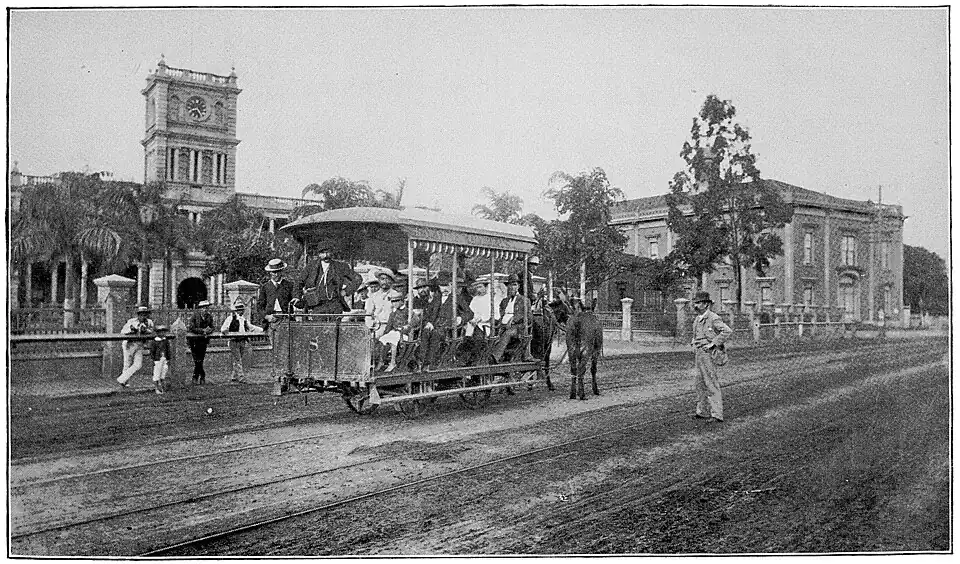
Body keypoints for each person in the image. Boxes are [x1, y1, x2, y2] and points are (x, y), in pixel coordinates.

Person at [690, 291, 733, 423]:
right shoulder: (697, 319)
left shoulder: (713, 318)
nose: (695, 305)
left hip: (709, 354)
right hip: (699, 353)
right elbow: (695, 335)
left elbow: (727, 331)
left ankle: (717, 414)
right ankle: (702, 411)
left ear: (706, 304)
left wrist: (713, 344)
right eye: (695, 303)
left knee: (711, 383)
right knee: (699, 383)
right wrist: (694, 343)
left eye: (698, 303)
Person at [420, 272, 473, 370]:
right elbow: (428, 314)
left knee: (435, 334)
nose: (443, 288)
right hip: (436, 325)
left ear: (451, 285)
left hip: (449, 328)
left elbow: (470, 313)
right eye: (441, 286)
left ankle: (431, 363)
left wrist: (460, 318)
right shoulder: (437, 298)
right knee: (425, 332)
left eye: (446, 285)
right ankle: (422, 362)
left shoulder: (457, 298)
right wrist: (429, 323)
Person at [298, 243, 361, 314]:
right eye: (322, 253)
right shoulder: (311, 267)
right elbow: (299, 282)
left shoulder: (340, 266)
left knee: (334, 324)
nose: (326, 255)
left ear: (332, 253)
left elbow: (357, 279)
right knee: (318, 325)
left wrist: (346, 291)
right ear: (319, 254)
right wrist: (297, 297)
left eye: (328, 252)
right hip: (317, 305)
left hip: (335, 305)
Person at [490, 274, 535, 362]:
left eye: (514, 285)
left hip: (518, 328)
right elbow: (500, 315)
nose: (511, 287)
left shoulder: (524, 300)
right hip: (502, 326)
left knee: (508, 333)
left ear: (518, 286)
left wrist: (514, 319)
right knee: (488, 332)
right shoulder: (504, 301)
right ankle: (484, 355)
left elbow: (529, 317)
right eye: (510, 285)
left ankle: (495, 357)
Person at [220, 300, 263, 383]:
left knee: (238, 359)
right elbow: (223, 328)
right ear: (236, 310)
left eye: (242, 310)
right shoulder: (230, 318)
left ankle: (234, 376)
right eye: (240, 310)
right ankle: (241, 377)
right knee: (238, 359)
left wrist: (262, 330)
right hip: (234, 341)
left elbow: (251, 327)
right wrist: (226, 331)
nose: (242, 311)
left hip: (242, 340)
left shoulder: (243, 319)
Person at [117, 305, 156, 388]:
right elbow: (123, 331)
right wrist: (132, 330)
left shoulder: (149, 322)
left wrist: (145, 330)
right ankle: (125, 383)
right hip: (129, 344)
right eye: (141, 314)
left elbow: (152, 332)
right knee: (127, 363)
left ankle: (122, 379)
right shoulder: (131, 321)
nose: (143, 316)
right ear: (138, 315)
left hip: (140, 345)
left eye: (145, 314)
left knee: (138, 364)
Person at [256, 258, 297, 334]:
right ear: (270, 273)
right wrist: (266, 316)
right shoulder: (265, 287)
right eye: (274, 272)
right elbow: (259, 306)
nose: (277, 274)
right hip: (271, 320)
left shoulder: (289, 285)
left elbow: (296, 301)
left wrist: (298, 298)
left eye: (278, 272)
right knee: (274, 342)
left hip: (286, 318)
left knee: (286, 343)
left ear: (282, 271)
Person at [377, 289, 411, 372]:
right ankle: (381, 361)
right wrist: (384, 334)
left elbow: (414, 321)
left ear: (402, 301)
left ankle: (393, 363)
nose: (394, 304)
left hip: (404, 334)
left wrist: (406, 327)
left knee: (393, 339)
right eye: (392, 302)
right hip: (395, 333)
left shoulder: (407, 311)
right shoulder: (393, 313)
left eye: (396, 301)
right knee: (383, 339)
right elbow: (389, 326)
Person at [186, 299, 215, 385]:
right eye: (203, 308)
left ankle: (197, 377)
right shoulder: (194, 316)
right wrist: (202, 331)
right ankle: (201, 375)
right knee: (197, 360)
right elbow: (191, 328)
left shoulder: (209, 317)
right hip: (193, 341)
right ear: (200, 308)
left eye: (206, 308)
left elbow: (212, 327)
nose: (205, 310)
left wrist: (209, 330)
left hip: (203, 341)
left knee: (200, 360)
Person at [149, 325, 172, 395]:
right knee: (157, 373)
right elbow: (152, 351)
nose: (162, 334)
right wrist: (153, 359)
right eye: (160, 332)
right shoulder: (154, 342)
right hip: (157, 360)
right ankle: (156, 387)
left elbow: (168, 350)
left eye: (163, 332)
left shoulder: (166, 341)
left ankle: (162, 386)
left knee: (163, 372)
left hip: (164, 359)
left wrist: (168, 358)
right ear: (157, 333)